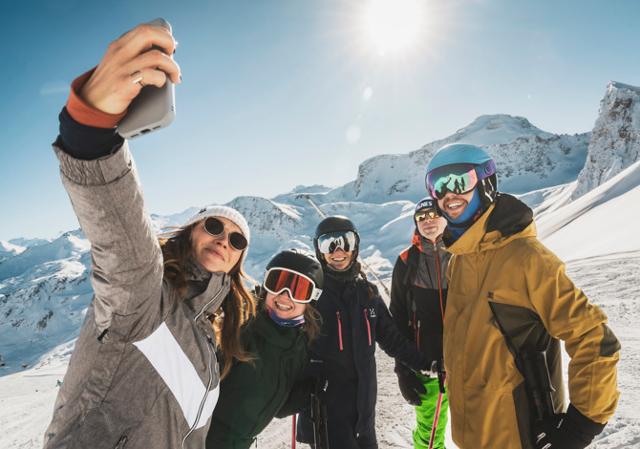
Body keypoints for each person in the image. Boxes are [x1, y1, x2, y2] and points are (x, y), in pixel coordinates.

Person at [43, 22, 256, 449]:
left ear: (237, 263)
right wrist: (92, 131)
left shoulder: (210, 348)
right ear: (191, 232)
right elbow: (122, 239)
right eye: (214, 226)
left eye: (237, 241)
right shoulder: (145, 300)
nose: (223, 240)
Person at [424, 143, 621, 449]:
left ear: (487, 184)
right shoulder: (459, 261)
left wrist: (581, 426)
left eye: (459, 180)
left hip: (518, 438)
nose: (449, 194)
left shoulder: (526, 258)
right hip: (470, 438)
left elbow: (596, 340)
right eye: (438, 185)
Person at [296, 216, 429, 449]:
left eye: (345, 242)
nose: (338, 251)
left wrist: (427, 363)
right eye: (329, 244)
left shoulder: (368, 293)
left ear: (355, 246)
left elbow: (393, 340)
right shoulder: (311, 296)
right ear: (319, 250)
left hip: (364, 414)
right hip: (326, 414)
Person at [205, 250, 323, 449]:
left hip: (241, 443)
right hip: (205, 438)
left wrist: (310, 390)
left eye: (299, 289)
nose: (285, 296)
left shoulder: (300, 344)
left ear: (311, 299)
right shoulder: (240, 327)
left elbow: (277, 407)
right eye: (278, 282)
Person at [390, 197, 450, 449]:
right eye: (421, 217)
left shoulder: (464, 253)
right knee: (430, 433)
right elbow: (398, 318)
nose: (427, 221)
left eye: (433, 214)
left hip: (469, 360)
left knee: (481, 428)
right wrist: (403, 369)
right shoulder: (406, 261)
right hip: (427, 365)